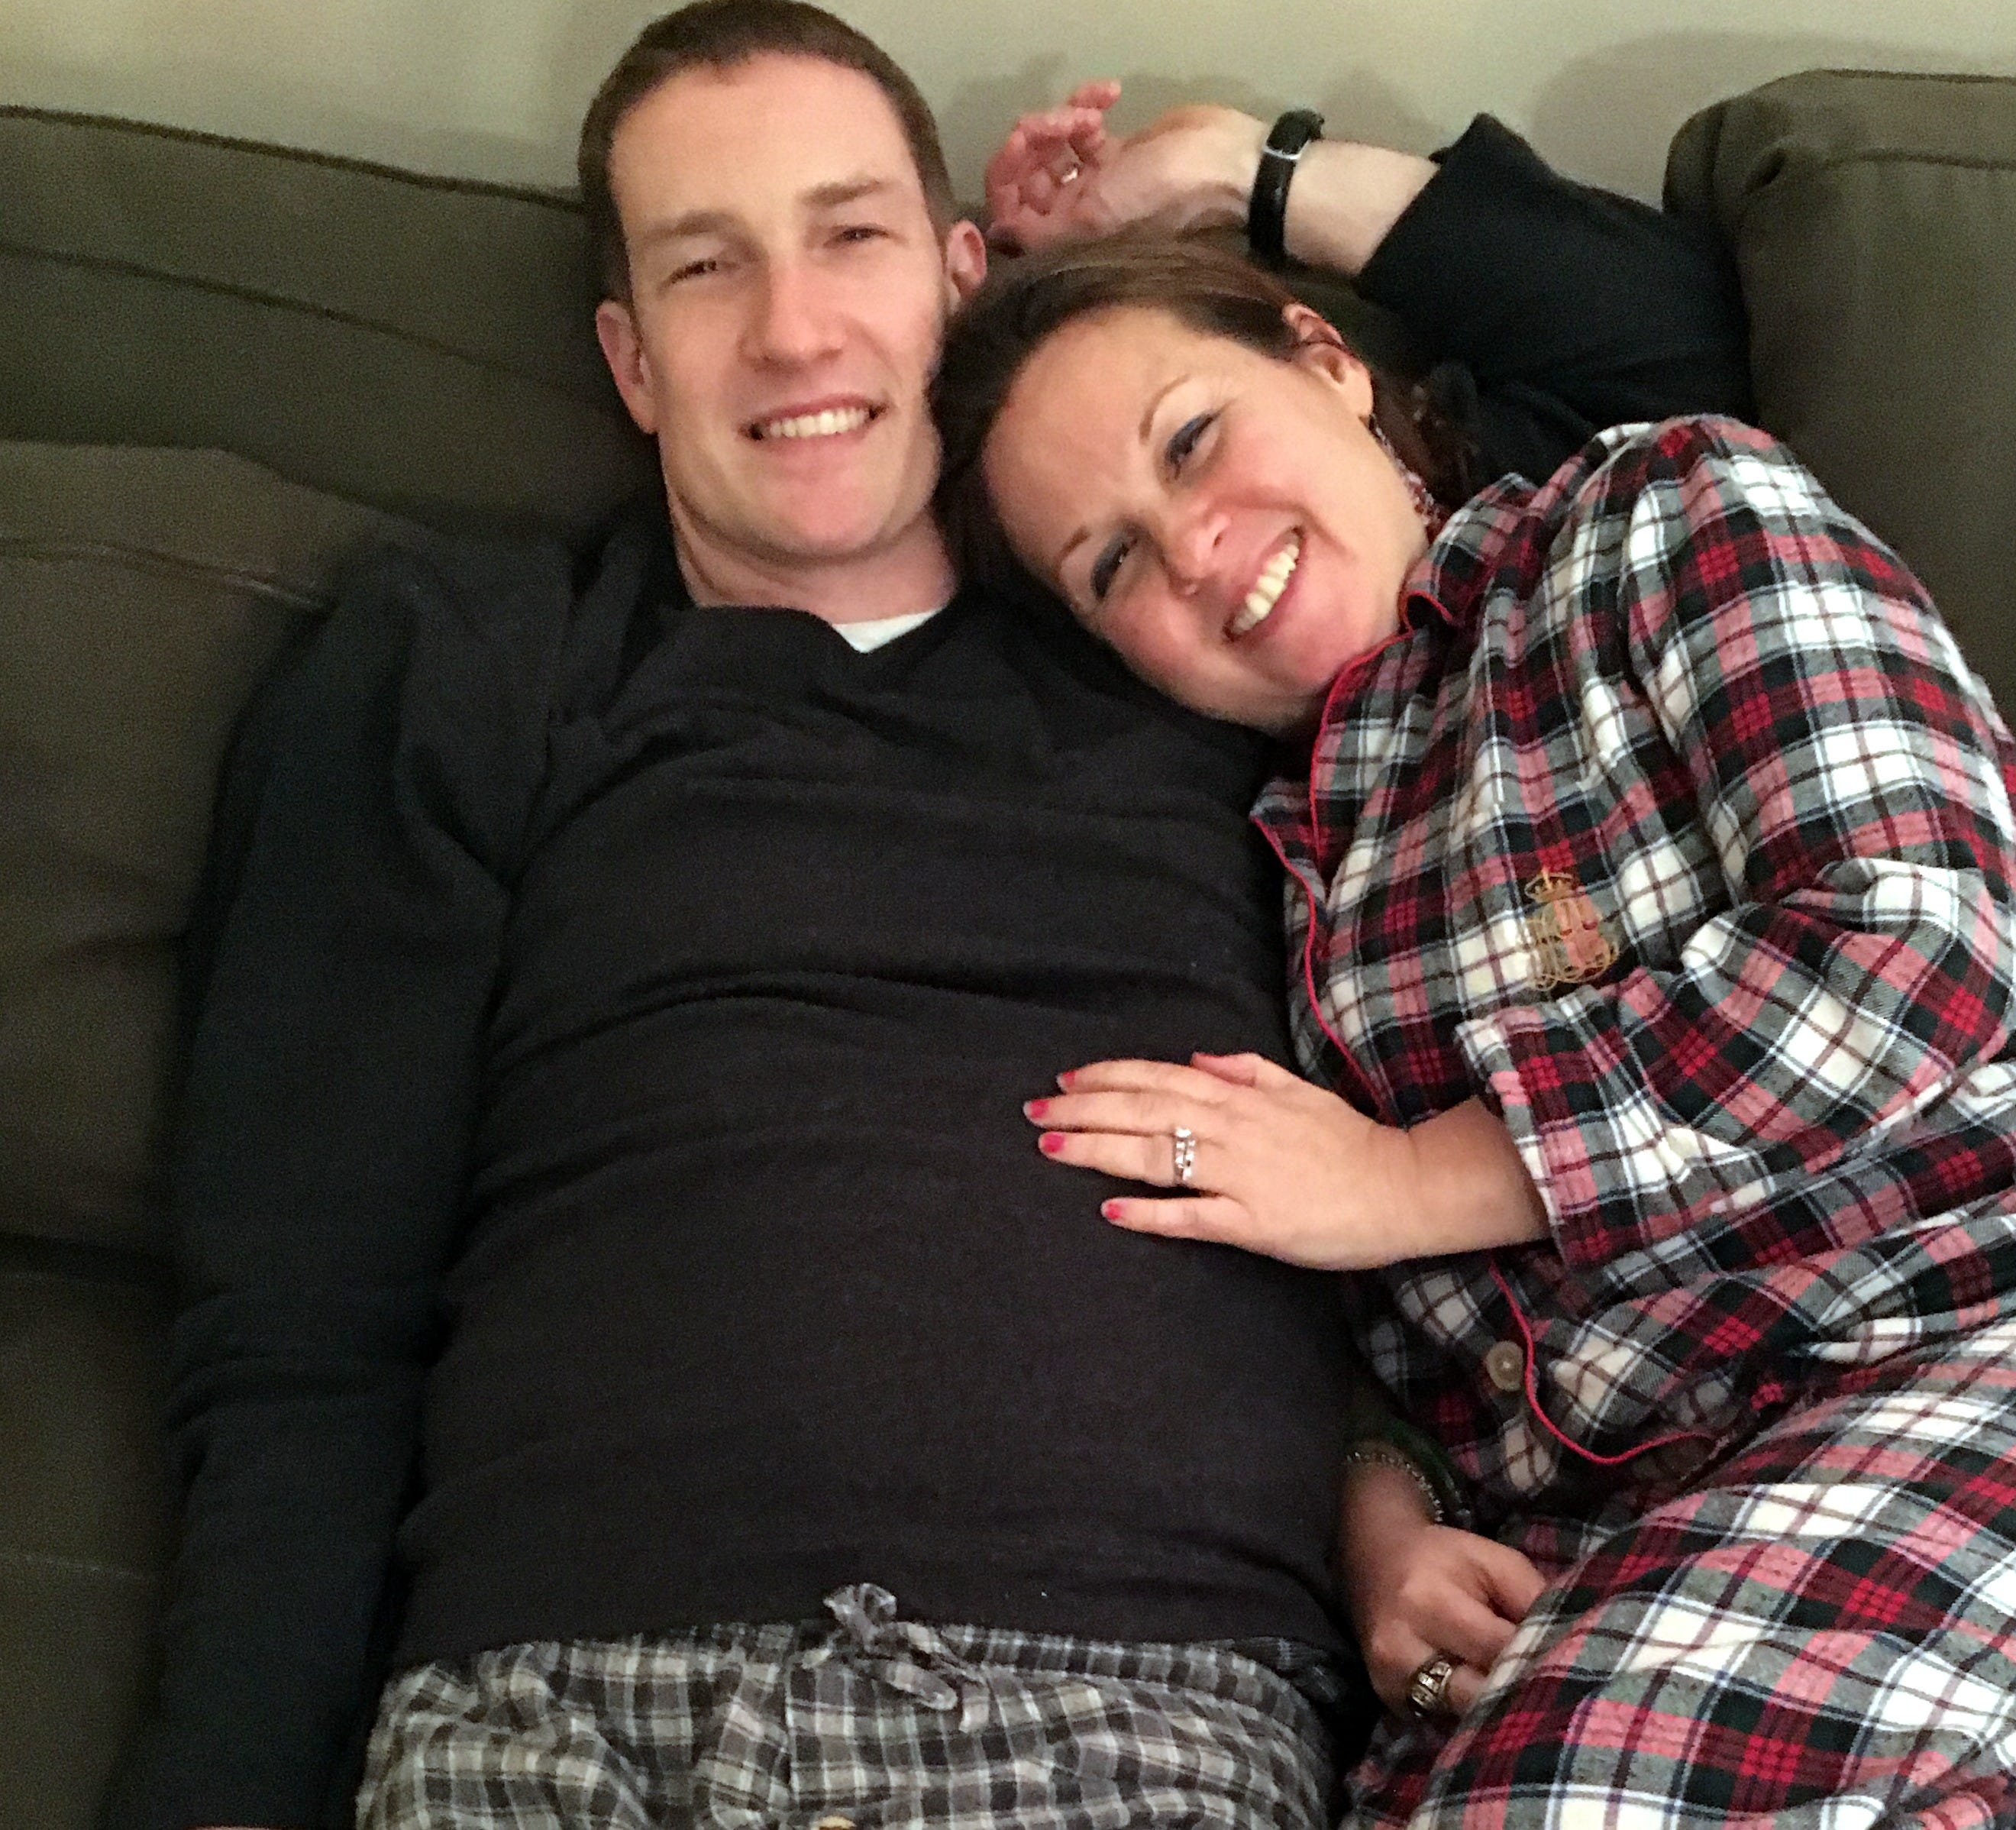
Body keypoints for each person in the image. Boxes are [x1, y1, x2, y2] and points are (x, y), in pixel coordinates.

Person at [103, 7, 1755, 1827]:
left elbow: (1666, 363)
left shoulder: (1174, 633)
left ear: (962, 277)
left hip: (1132, 1718)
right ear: (630, 360)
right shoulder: (475, 663)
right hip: (563, 1708)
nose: (794, 329)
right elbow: (300, 1335)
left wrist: (1234, 175)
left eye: (853, 235)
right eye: (706, 266)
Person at [931, 234, 2016, 1826]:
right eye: (1112, 566)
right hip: (1607, 1551)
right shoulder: (1249, 876)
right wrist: (1383, 1527)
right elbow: (1320, 1322)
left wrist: (1407, 1177)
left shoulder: (1652, 514)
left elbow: (1927, 937)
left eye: (1192, 440)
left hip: (1942, 1338)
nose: (1196, 549)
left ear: (1327, 363)